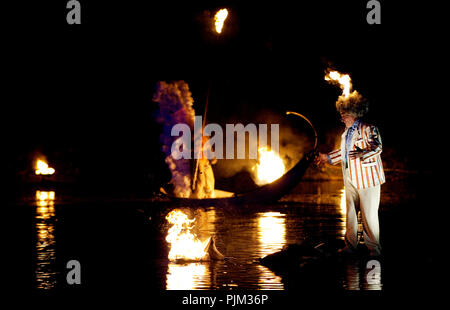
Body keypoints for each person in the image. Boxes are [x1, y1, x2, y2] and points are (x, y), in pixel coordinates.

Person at [316, 96, 385, 257]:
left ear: (355, 114)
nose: (342, 118)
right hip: (350, 178)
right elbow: (344, 152)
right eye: (341, 114)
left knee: (369, 215)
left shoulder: (369, 128)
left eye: (345, 114)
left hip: (368, 178)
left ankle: (374, 250)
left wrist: (363, 153)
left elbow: (377, 147)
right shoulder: (346, 133)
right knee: (351, 213)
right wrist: (327, 158)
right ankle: (350, 246)